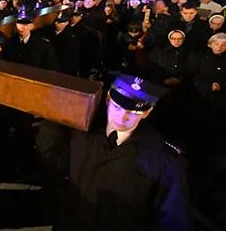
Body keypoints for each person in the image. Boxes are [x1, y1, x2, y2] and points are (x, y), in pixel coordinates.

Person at [36, 74, 190, 230]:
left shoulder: (163, 159)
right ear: (108, 99)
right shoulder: (83, 131)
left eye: (133, 113)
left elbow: (172, 219)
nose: (122, 118)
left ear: (147, 112)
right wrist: (52, 119)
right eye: (117, 107)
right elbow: (53, 165)